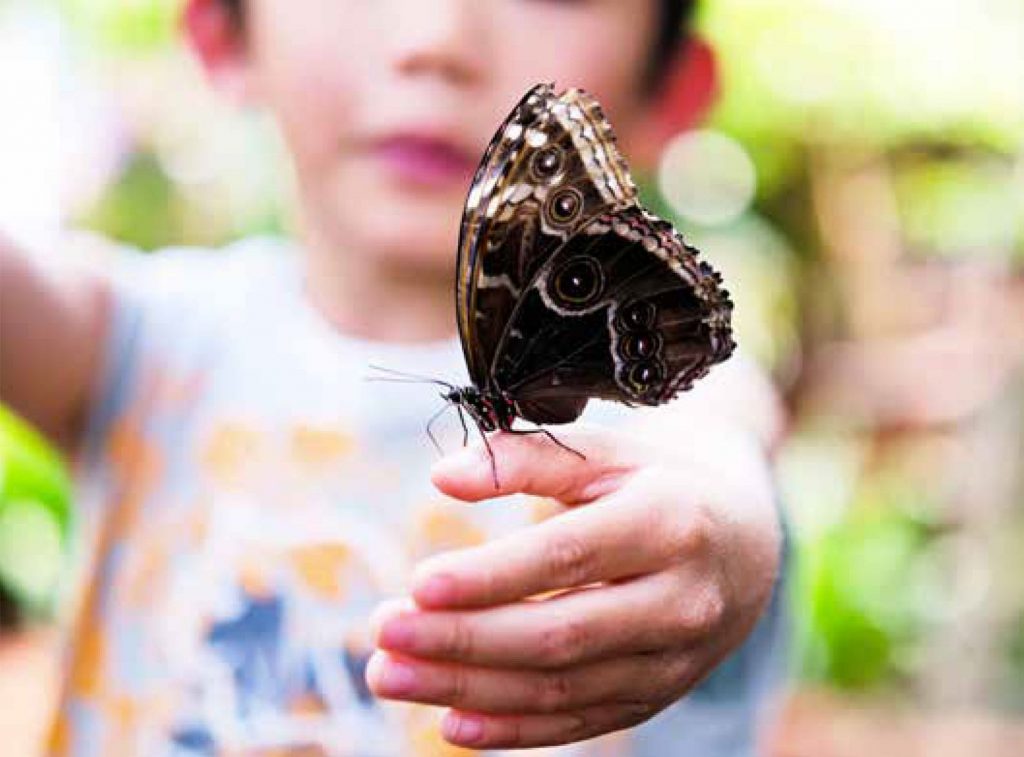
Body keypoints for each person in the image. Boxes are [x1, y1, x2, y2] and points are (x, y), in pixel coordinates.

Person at [0, 0, 788, 753]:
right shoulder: (139, 339)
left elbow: (720, 444)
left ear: (672, 87)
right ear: (220, 32)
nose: (434, 38)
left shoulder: (670, 435)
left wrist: (730, 521)